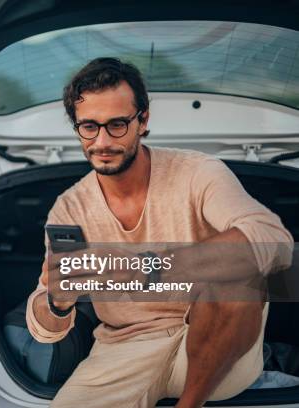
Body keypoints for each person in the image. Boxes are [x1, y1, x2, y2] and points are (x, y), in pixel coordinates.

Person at [25, 57, 294, 408]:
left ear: (144, 120)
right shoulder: (70, 209)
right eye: (89, 126)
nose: (102, 141)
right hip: (123, 351)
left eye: (118, 124)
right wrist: (58, 302)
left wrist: (144, 268)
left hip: (219, 348)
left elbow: (274, 240)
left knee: (235, 269)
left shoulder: (198, 173)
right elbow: (47, 330)